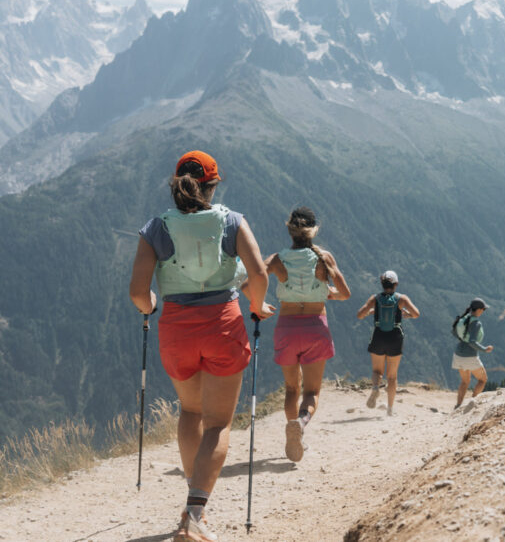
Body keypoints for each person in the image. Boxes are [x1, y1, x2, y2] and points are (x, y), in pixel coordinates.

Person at [129, 150, 275, 542]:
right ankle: (194, 513)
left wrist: (151, 305)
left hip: (176, 330)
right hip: (223, 326)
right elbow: (259, 274)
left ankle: (194, 508)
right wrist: (258, 307)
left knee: (191, 411)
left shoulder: (155, 229)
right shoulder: (232, 222)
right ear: (212, 186)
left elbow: (138, 293)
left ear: (177, 185)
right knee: (218, 422)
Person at [264, 207, 351, 462]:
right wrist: (327, 293)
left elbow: (252, 280)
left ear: (289, 229)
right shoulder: (324, 257)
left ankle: (293, 431)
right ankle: (300, 425)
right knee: (311, 392)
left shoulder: (277, 259)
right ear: (315, 230)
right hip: (315, 328)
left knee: (292, 389)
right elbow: (345, 294)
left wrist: (258, 305)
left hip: (286, 328)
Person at [355, 270, 419, 416]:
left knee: (377, 371)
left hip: (378, 336)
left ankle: (375, 387)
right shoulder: (402, 299)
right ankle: (390, 410)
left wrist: (371, 311)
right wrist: (407, 315)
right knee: (392, 377)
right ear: (396, 284)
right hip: (395, 337)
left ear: (382, 283)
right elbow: (416, 313)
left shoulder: (375, 298)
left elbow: (359, 314)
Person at [452, 298, 494, 409]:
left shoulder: (463, 318)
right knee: (482, 380)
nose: (483, 311)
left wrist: (463, 339)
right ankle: (472, 404)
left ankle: (458, 405)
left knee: (465, 381)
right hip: (470, 356)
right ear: (479, 309)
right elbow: (472, 342)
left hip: (458, 354)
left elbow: (454, 332)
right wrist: (485, 349)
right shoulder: (476, 323)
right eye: (484, 309)